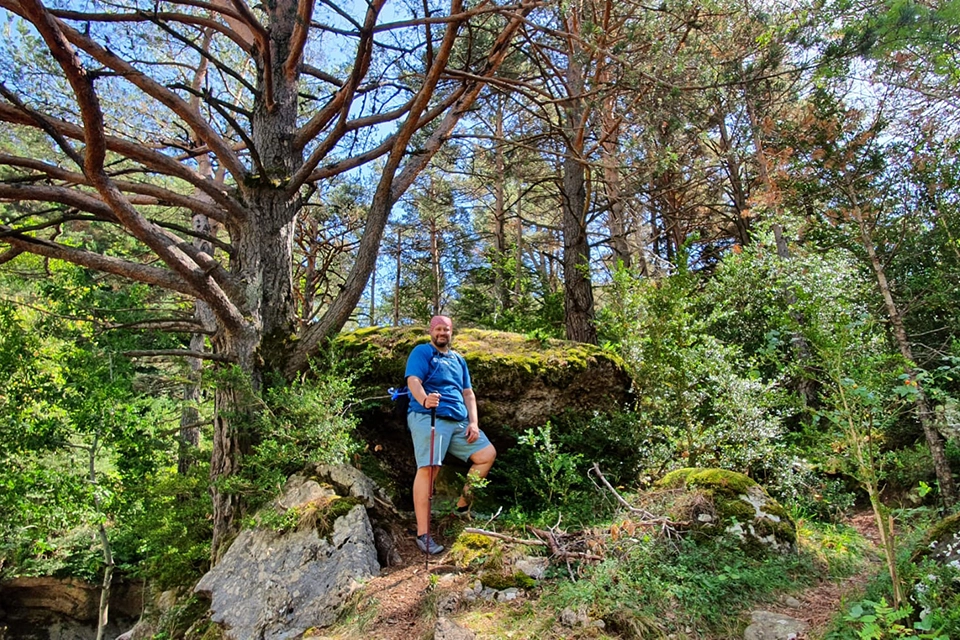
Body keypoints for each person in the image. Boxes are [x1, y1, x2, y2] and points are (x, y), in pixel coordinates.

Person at [405, 315, 497, 554]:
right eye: (438, 329)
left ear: (451, 332)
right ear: (431, 331)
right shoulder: (422, 352)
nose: (442, 333)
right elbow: (413, 380)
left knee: (486, 454)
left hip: (459, 421)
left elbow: (468, 393)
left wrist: (474, 422)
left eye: (446, 329)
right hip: (429, 417)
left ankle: (461, 508)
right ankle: (423, 534)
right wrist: (425, 399)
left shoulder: (458, 359)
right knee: (429, 467)